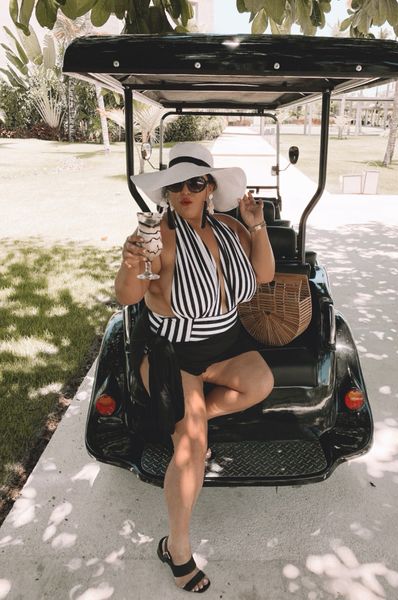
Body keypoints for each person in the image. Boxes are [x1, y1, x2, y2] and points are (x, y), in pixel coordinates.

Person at [115, 142, 275, 593]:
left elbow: (263, 277)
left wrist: (256, 225)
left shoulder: (229, 229)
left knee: (262, 382)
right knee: (190, 447)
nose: (185, 191)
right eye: (175, 185)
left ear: (210, 188)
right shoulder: (157, 238)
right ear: (165, 192)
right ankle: (177, 547)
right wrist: (131, 264)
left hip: (222, 353)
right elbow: (128, 296)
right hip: (173, 357)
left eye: (195, 182)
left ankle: (193, 413)